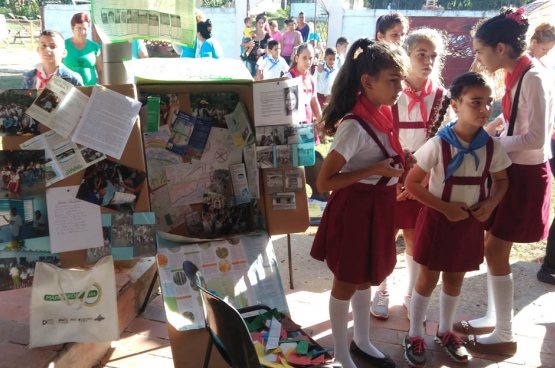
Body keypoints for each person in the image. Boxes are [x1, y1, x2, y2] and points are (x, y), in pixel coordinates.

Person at [456, 7, 555, 355]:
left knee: (495, 250)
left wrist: (490, 142)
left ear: (500, 48)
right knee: (495, 249)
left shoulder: (534, 77)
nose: (477, 58)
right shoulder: (519, 73)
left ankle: (505, 332)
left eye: (480, 51)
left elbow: (536, 138)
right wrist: (491, 127)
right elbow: (514, 121)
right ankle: (496, 319)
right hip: (513, 170)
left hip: (526, 175)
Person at [310, 38, 410, 368]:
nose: (400, 87)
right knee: (346, 281)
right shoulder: (354, 125)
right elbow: (324, 183)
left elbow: (379, 155)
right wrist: (377, 168)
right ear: (367, 82)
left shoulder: (381, 113)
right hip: (355, 209)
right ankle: (341, 354)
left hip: (378, 206)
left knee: (367, 276)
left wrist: (396, 161)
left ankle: (362, 340)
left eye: (401, 79)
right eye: (393, 80)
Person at [402, 72, 511, 366]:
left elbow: (501, 181)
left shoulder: (491, 146)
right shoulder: (439, 145)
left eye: (489, 102)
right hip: (438, 223)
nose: (485, 109)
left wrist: (491, 203)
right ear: (455, 104)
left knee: (455, 279)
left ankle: (446, 331)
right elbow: (412, 184)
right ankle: (414, 333)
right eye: (476, 102)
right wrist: (444, 207)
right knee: (427, 278)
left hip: (469, 225)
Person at [371, 27, 450, 320]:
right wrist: (391, 177)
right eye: (421, 54)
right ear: (407, 54)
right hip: (389, 172)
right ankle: (380, 288)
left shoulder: (441, 97)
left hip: (423, 175)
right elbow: (378, 135)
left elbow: (445, 141)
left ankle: (412, 290)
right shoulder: (390, 91)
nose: (428, 61)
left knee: (416, 236)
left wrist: (425, 176)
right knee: (384, 234)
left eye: (433, 56)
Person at [284, 44, 323, 144]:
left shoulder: (312, 79)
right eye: (304, 58)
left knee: (306, 153)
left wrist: (320, 119)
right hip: (292, 121)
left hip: (307, 120)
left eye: (310, 58)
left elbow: (314, 101)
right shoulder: (288, 78)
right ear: (297, 58)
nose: (308, 62)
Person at [63, 13, 103, 86]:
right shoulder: (63, 45)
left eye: (85, 29)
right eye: (79, 28)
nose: (82, 32)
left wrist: (103, 89)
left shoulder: (95, 47)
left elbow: (100, 71)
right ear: (72, 28)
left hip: (90, 91)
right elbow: (57, 69)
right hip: (69, 90)